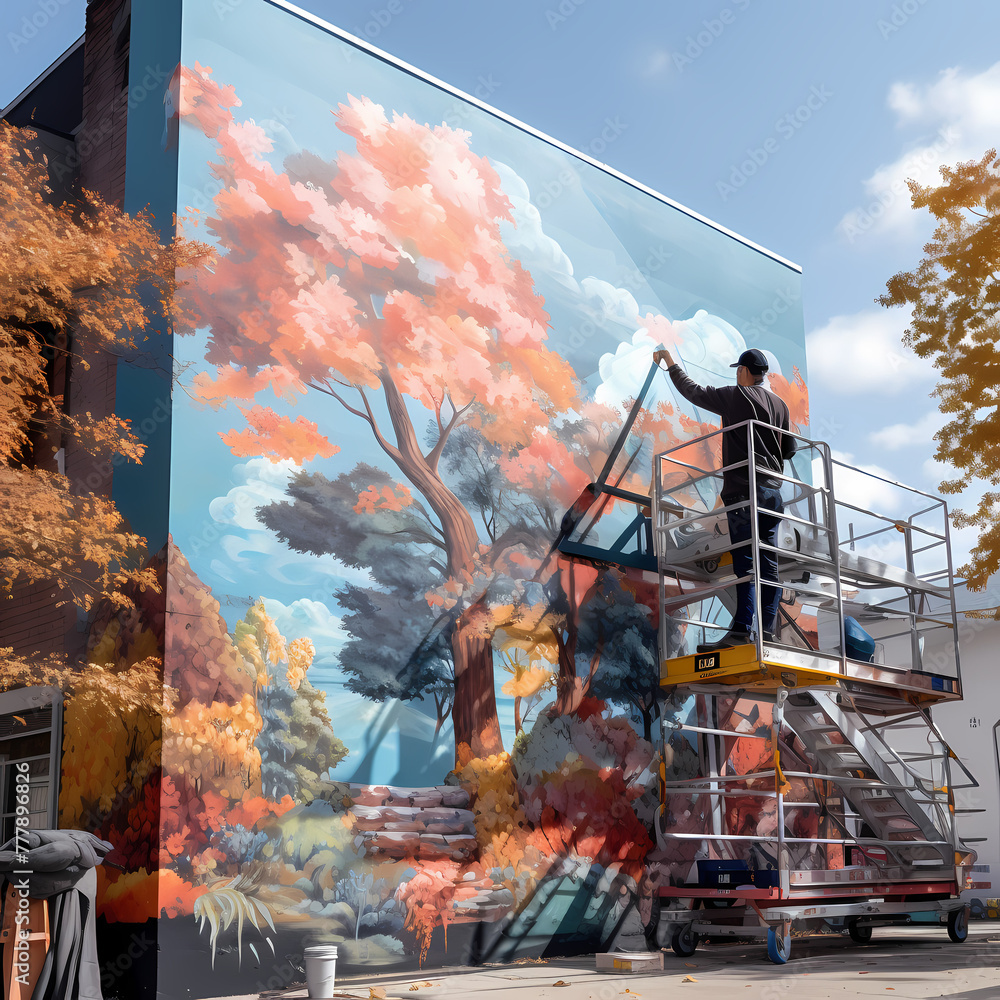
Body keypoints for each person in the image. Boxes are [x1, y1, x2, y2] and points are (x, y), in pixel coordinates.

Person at [653, 347, 795, 652]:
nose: (736, 375)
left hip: (744, 491)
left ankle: (742, 630)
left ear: (744, 371)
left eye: (737, 370)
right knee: (767, 565)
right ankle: (767, 631)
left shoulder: (737, 396)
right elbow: (788, 450)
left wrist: (670, 363)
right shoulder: (781, 405)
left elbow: (693, 392)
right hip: (772, 494)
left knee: (745, 564)